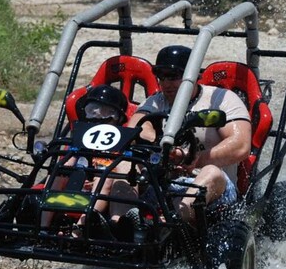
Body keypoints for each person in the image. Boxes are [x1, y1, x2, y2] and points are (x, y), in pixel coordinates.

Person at [126, 45, 252, 224]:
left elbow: (241, 145)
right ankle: (121, 221)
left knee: (211, 171)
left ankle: (171, 224)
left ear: (191, 76)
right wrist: (165, 149)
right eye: (161, 76)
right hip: (162, 184)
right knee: (123, 164)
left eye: (173, 76)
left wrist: (194, 159)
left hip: (213, 188)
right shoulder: (156, 101)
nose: (166, 83)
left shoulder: (221, 99)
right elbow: (135, 130)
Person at [41, 84, 129, 233]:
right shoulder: (82, 137)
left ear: (117, 118)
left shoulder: (119, 143)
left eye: (107, 112)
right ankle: (42, 227)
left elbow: (115, 170)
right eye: (93, 110)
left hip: (103, 188)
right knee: (60, 169)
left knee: (105, 176)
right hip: (77, 184)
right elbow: (68, 163)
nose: (99, 116)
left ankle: (81, 227)